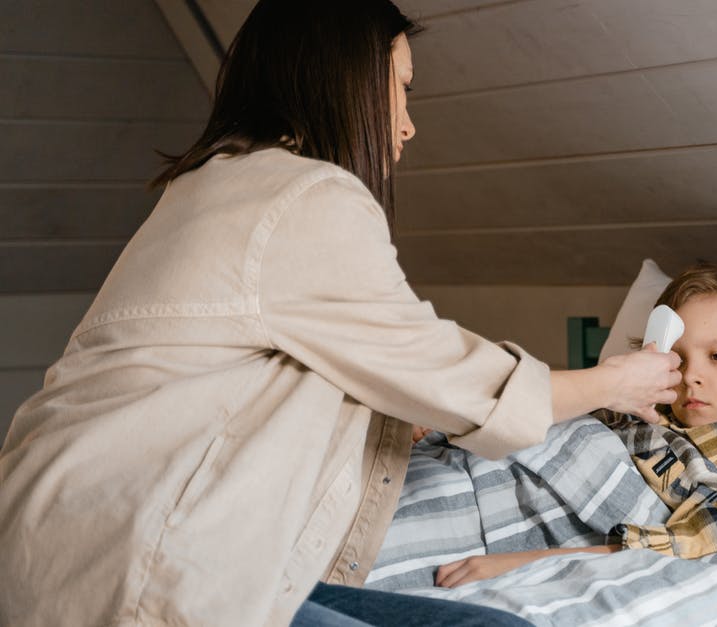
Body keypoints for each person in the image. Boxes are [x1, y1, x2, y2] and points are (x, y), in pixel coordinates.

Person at [0, 2, 680, 626]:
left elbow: (262, 370)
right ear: (342, 80)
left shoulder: (215, 183)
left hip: (58, 541)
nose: (409, 122)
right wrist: (613, 382)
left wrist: (390, 412)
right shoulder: (306, 197)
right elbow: (454, 374)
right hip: (136, 566)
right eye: (402, 88)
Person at [434, 262, 717, 588]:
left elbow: (698, 543)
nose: (690, 374)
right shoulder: (631, 408)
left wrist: (525, 563)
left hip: (513, 542)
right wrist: (438, 429)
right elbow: (537, 421)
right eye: (676, 356)